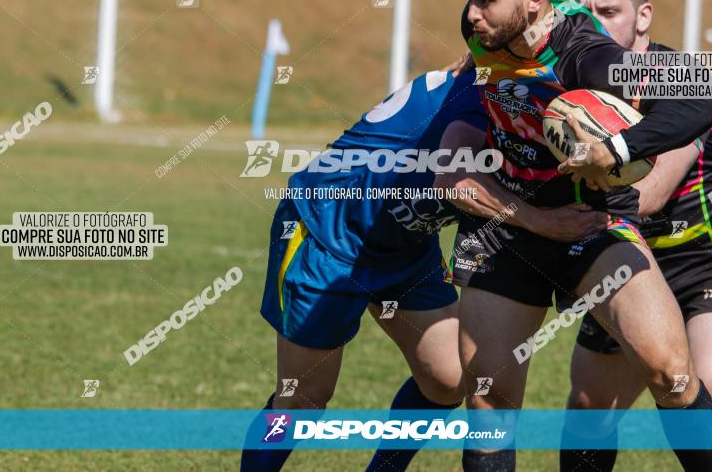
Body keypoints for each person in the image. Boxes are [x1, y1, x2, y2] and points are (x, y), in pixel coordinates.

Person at [444, 0, 712, 471]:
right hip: (506, 228)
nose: (473, 15)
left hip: (591, 222)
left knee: (672, 373)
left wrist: (613, 149)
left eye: (485, 2)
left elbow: (702, 96)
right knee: (489, 400)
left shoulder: (587, 55)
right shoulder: (481, 31)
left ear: (533, 1)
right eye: (469, 1)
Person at [240, 69, 607, 472]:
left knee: (448, 378)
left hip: (406, 244)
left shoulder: (535, 90)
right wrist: (542, 221)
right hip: (330, 231)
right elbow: (457, 180)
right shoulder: (486, 89)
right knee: (303, 398)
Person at [560, 0, 712, 472]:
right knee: (589, 409)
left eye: (609, 14)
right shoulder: (572, 89)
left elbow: (648, 193)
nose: (595, 29)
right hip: (631, 261)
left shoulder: (678, 80)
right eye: (585, 15)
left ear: (643, 16)